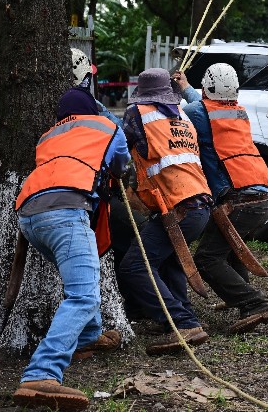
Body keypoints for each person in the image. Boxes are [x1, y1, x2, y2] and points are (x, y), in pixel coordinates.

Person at [12, 86, 130, 410]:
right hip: (66, 212)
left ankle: (89, 336)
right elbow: (122, 164)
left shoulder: (47, 136)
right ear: (92, 109)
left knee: (83, 280)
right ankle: (41, 373)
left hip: (29, 217)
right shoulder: (105, 126)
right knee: (83, 295)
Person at [175, 64, 268, 334]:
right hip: (264, 195)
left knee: (207, 258)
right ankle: (239, 296)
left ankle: (254, 303)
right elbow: (204, 105)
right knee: (231, 247)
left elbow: (185, 114)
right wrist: (185, 87)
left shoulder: (198, 113)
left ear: (206, 88)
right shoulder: (238, 112)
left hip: (240, 199)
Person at [117, 67, 212, 355]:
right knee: (169, 262)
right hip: (199, 205)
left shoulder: (138, 113)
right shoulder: (182, 116)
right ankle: (184, 316)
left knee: (135, 266)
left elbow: (118, 148)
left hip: (178, 207)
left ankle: (181, 322)